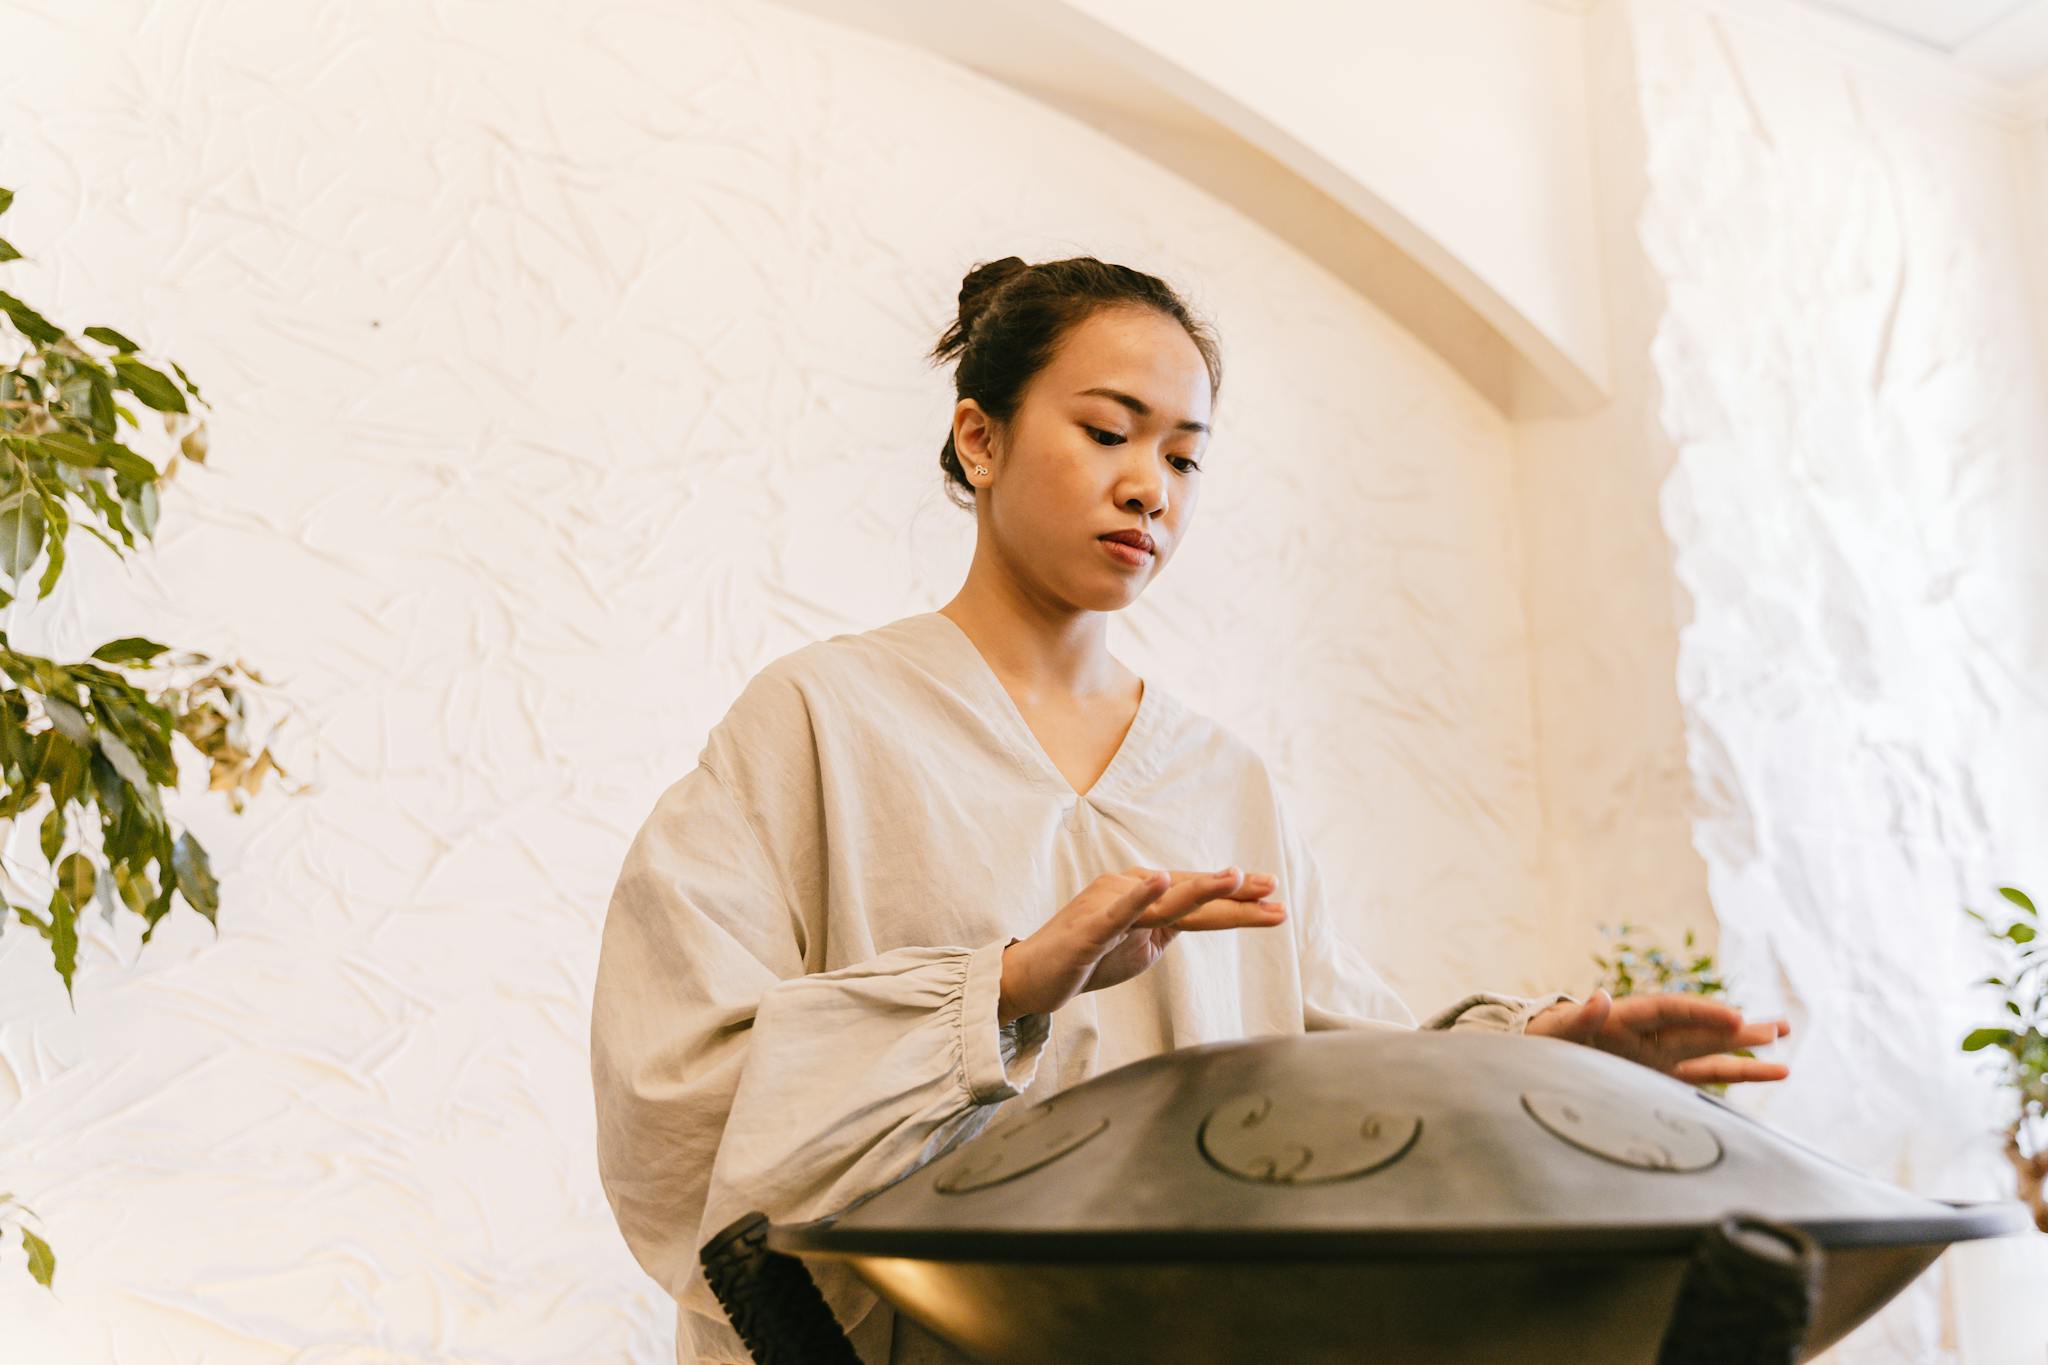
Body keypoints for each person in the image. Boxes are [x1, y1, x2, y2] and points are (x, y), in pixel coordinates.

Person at [589, 255, 1792, 1365]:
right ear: (979, 438)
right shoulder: (819, 718)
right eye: (1107, 431)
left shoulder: (1220, 780)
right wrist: (1000, 991)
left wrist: (1535, 1063)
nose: (1144, 487)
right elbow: (676, 1087)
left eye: (1182, 457)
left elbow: (1323, 1076)